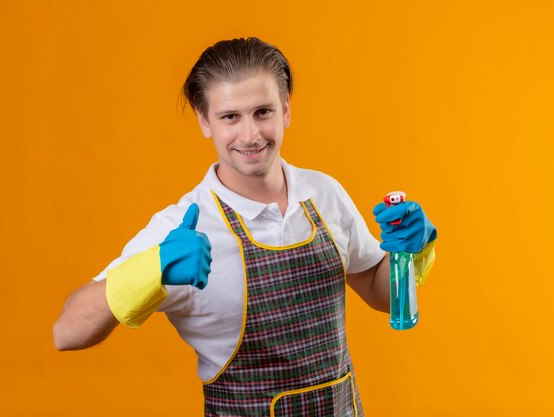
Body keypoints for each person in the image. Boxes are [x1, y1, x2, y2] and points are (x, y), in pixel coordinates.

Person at [53, 37, 437, 417]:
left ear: (285, 110)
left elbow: (379, 291)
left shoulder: (324, 193)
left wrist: (409, 251)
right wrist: (153, 269)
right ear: (205, 121)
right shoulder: (185, 227)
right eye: (230, 117)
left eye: (263, 112)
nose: (251, 135)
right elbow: (67, 333)